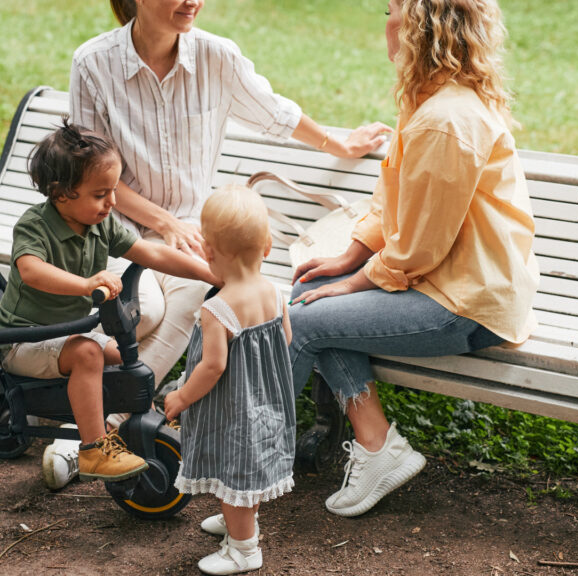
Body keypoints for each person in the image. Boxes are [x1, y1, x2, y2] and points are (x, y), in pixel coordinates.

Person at [41, 0, 392, 490]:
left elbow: (276, 114)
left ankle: (96, 426)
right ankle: (67, 402)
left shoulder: (217, 55)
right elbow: (90, 174)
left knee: (191, 303)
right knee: (140, 313)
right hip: (116, 229)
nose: (193, 2)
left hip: (192, 234)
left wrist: (341, 144)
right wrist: (163, 223)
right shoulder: (94, 63)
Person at [288, 0, 540, 518]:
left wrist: (358, 282)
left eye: (390, 9)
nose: (385, 20)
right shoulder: (430, 102)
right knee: (308, 295)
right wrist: (350, 258)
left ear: (418, 27)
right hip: (445, 282)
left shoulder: (445, 120)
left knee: (302, 320)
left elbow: (422, 246)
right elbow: (392, 200)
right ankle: (378, 446)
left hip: (465, 304)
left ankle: (250, 468)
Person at [0, 119, 219, 484]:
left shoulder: (100, 224)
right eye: (101, 194)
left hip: (60, 335)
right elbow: (31, 271)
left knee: (121, 357)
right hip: (23, 340)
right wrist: (84, 284)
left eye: (113, 190)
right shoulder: (35, 226)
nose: (112, 202)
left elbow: (152, 254)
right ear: (61, 192)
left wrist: (209, 273)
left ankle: (114, 422)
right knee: (89, 354)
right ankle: (94, 447)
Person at [163, 184, 294, 575]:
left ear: (208, 252)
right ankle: (240, 520)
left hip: (233, 408)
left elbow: (212, 367)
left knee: (235, 466)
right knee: (250, 466)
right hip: (266, 401)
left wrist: (181, 397)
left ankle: (244, 548)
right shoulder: (273, 292)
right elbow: (284, 338)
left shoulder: (217, 308)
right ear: (267, 246)